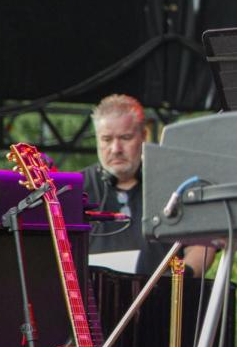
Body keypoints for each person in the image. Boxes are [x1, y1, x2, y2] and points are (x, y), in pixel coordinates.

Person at [83, 94, 215, 277]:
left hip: (164, 299)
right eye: (106, 139)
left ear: (143, 136)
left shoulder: (173, 184)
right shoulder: (77, 188)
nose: (116, 149)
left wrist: (181, 277)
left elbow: (202, 244)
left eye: (125, 137)